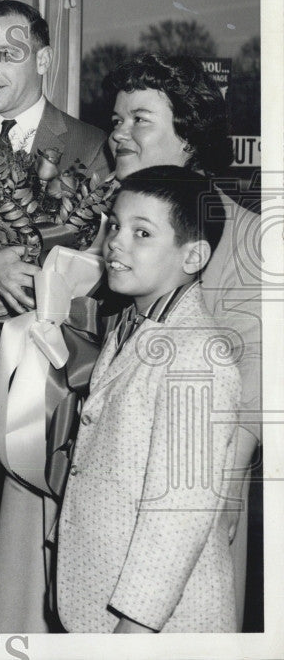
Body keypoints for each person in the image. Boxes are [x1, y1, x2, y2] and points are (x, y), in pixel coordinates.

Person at [0, 0, 111, 633]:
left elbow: (106, 283)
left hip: (53, 401)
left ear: (43, 58)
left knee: (32, 584)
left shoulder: (93, 149)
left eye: (6, 51)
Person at [105, 52, 261, 627]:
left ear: (190, 139)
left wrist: (223, 494)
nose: (119, 132)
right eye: (117, 119)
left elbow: (258, 389)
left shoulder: (250, 241)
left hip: (190, 504)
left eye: (139, 119)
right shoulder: (109, 223)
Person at [56, 165, 239, 632]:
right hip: (100, 592)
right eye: (115, 225)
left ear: (193, 256)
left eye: (142, 233)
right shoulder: (131, 328)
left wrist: (134, 625)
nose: (116, 242)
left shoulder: (198, 353)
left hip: (157, 622)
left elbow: (179, 512)